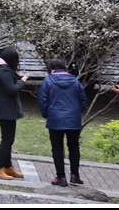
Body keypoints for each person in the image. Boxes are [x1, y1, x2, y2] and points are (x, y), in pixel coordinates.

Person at [38, 57, 87, 186]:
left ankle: (61, 177)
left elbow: (43, 100)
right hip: (73, 120)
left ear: (52, 69)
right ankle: (75, 175)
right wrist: (76, 113)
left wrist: (46, 114)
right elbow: (83, 100)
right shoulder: (75, 81)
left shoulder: (48, 81)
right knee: (74, 146)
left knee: (57, 149)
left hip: (55, 119)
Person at [0, 46, 29, 181]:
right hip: (5, 109)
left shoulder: (0, 68)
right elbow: (11, 89)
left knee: (8, 138)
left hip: (4, 107)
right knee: (7, 140)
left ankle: (7, 166)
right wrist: (22, 82)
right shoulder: (4, 71)